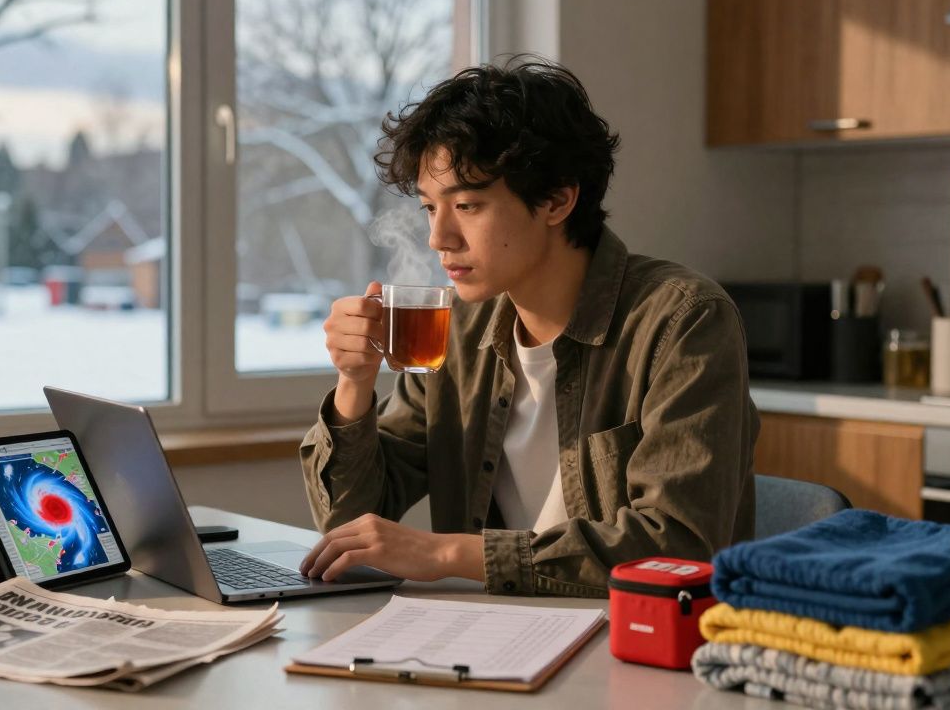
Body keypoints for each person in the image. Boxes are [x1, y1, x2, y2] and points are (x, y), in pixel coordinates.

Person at [297, 58, 757, 597]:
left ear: (558, 199)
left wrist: (447, 552)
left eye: (467, 205)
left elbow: (675, 545)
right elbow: (350, 528)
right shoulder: (460, 330)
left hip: (635, 641)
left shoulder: (683, 320)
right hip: (497, 635)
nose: (438, 238)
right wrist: (354, 384)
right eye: (429, 208)